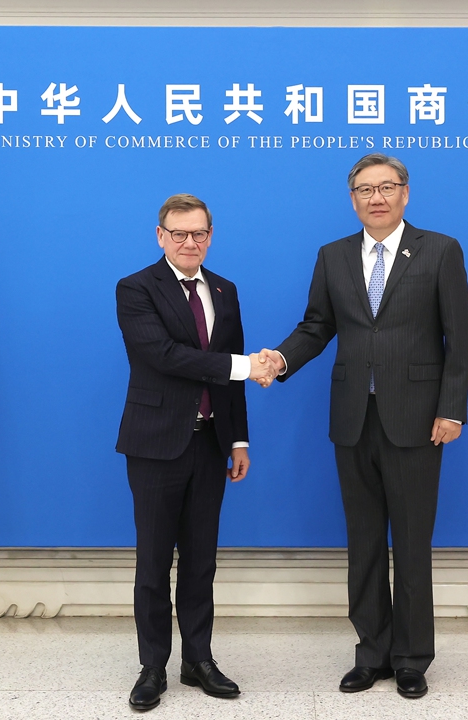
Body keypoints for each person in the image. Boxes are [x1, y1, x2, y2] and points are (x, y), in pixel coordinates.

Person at [259, 154, 468, 699]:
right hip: (353, 419)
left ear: (406, 193)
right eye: (364, 189)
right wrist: (281, 360)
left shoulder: (440, 250)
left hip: (419, 421)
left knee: (413, 543)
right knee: (365, 542)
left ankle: (411, 659)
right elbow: (317, 325)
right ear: (351, 198)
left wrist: (452, 408)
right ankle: (371, 653)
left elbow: (459, 339)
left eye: (387, 187)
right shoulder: (332, 257)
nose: (376, 197)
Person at [115, 193, 277, 711]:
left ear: (211, 235)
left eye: (199, 234)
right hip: (155, 444)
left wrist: (238, 439)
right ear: (160, 235)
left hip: (210, 445)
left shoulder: (225, 290)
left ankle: (198, 661)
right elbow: (162, 356)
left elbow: (232, 381)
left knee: (201, 560)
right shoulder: (136, 288)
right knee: (154, 560)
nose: (190, 243)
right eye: (179, 234)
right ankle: (151, 667)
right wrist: (245, 365)